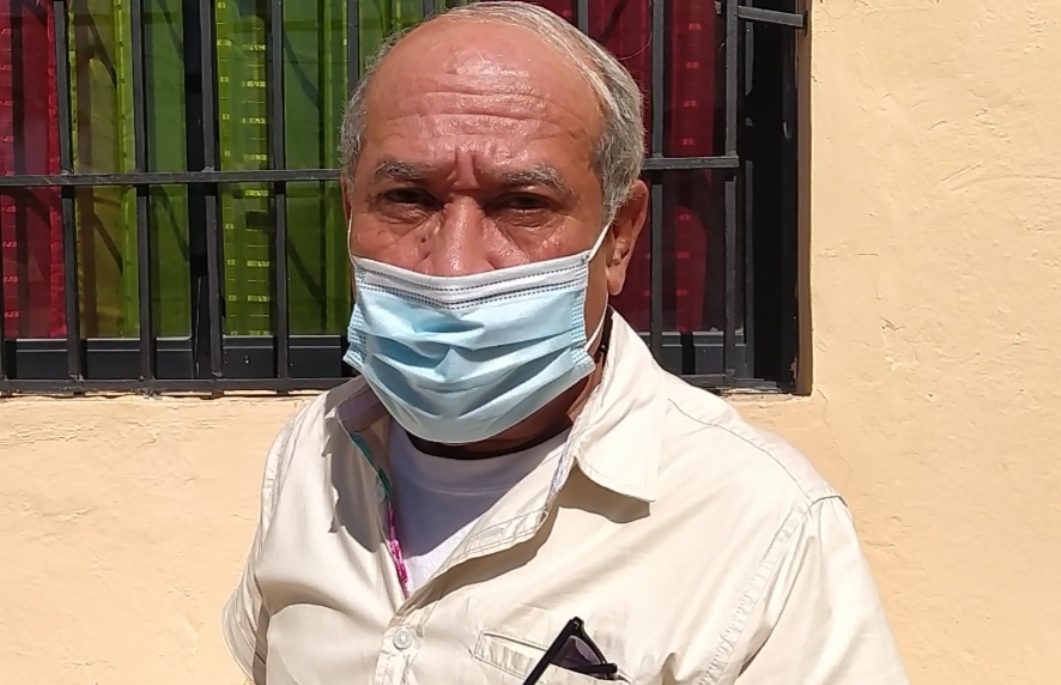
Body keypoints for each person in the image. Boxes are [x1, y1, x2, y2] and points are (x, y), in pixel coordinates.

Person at [222, 3, 910, 684]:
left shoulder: (759, 522)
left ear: (620, 237)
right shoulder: (311, 453)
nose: (454, 266)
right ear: (351, 212)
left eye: (523, 203)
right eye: (407, 197)